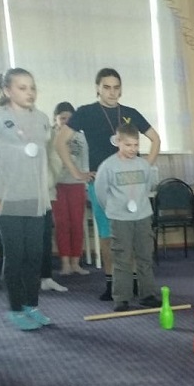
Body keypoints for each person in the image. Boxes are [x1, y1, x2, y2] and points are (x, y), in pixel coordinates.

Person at [54, 68, 161, 301]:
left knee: (134, 233)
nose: (112, 92)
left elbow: (155, 139)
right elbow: (60, 142)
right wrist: (77, 172)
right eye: (107, 87)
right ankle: (113, 282)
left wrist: (145, 166)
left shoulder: (130, 113)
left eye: (116, 87)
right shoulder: (86, 112)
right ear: (98, 88)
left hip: (131, 184)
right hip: (101, 184)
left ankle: (135, 281)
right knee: (108, 234)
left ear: (121, 89)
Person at [0, 68, 53, 330]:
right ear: (7, 91)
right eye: (22, 87)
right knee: (15, 255)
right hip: (5, 200)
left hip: (35, 199)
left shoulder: (42, 119)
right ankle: (16, 309)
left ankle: (32, 306)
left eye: (32, 87)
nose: (30, 92)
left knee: (35, 255)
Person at [94, 123, 161, 312]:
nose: (132, 149)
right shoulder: (108, 166)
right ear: (118, 142)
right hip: (120, 219)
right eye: (128, 145)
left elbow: (147, 186)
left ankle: (147, 294)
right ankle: (121, 298)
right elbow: (101, 193)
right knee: (122, 258)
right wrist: (114, 209)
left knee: (144, 256)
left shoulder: (143, 165)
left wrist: (138, 205)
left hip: (142, 216)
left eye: (136, 145)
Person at [48, 101, 90, 277]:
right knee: (62, 224)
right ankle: (65, 263)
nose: (66, 121)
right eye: (62, 118)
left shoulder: (80, 137)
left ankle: (75, 262)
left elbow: (85, 162)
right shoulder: (50, 136)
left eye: (69, 118)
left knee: (77, 224)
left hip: (77, 185)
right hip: (57, 185)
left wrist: (85, 182)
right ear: (55, 119)